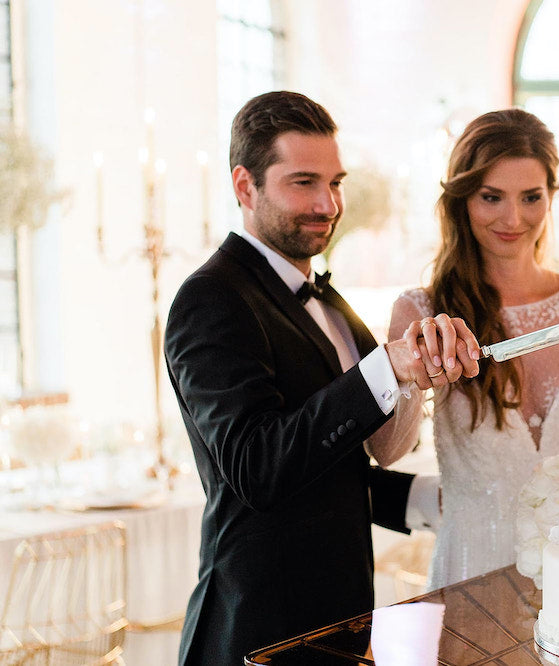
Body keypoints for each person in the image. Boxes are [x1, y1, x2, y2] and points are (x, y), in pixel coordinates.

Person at [164, 90, 480, 665]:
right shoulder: (211, 299)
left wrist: (442, 500)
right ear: (245, 187)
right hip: (256, 629)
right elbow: (258, 467)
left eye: (335, 183)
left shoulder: (332, 306)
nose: (328, 203)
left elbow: (332, 467)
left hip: (340, 621)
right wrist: (388, 366)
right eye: (303, 182)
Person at [367, 108, 559, 589]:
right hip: (472, 572)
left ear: (551, 198)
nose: (513, 219)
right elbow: (387, 451)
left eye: (531, 197)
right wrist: (412, 372)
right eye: (491, 197)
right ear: (461, 201)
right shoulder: (422, 311)